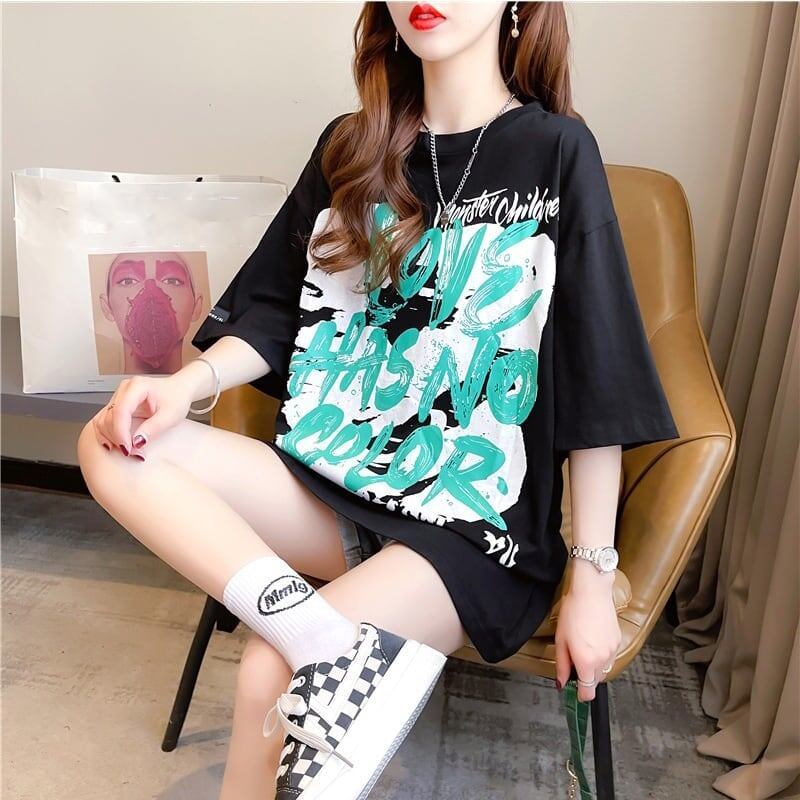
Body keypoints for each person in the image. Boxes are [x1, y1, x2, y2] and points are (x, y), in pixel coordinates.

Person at [77, 2, 680, 798]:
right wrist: (183, 385)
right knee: (113, 441)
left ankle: (306, 644)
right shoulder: (350, 146)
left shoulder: (557, 151)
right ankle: (314, 632)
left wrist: (594, 577)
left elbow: (597, 371)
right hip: (335, 484)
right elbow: (277, 310)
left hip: (472, 527)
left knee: (265, 673)